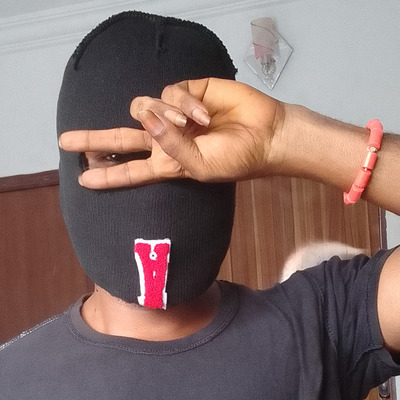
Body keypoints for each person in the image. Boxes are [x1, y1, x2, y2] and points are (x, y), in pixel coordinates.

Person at [1, 10, 399, 400]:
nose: (158, 177)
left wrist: (283, 136)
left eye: (184, 153)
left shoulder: (320, 325)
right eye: (114, 157)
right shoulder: (11, 378)